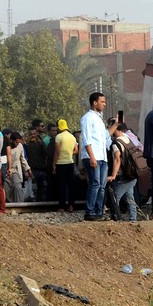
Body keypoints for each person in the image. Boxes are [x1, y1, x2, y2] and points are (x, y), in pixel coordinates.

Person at [80, 92, 110, 221]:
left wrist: (116, 124)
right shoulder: (88, 118)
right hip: (93, 156)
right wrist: (92, 157)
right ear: (94, 102)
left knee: (102, 186)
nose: (104, 104)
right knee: (95, 183)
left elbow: (105, 136)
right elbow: (86, 139)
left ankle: (99, 212)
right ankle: (90, 211)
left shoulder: (99, 119)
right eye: (102, 102)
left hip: (102, 156)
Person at [107, 122, 138, 222]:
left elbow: (117, 159)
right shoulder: (128, 139)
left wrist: (113, 175)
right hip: (133, 173)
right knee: (130, 197)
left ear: (116, 129)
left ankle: (116, 218)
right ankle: (133, 218)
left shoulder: (117, 143)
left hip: (125, 175)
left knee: (116, 196)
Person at [53, 119, 77, 212]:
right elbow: (76, 150)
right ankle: (71, 206)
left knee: (61, 186)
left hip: (60, 164)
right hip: (70, 163)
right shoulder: (72, 137)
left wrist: (54, 164)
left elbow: (57, 152)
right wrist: (68, 153)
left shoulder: (58, 137)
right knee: (71, 185)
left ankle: (62, 206)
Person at [5, 132, 31, 203]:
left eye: (18, 142)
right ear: (11, 140)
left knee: (17, 187)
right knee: (7, 190)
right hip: (6, 170)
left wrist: (27, 168)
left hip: (16, 170)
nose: (17, 144)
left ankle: (20, 205)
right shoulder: (6, 146)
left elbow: (22, 158)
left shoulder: (20, 146)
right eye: (16, 142)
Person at [24, 127, 49, 201]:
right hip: (32, 169)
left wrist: (42, 144)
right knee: (33, 189)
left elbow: (46, 153)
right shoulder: (27, 145)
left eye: (34, 134)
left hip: (41, 169)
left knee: (42, 188)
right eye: (31, 134)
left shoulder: (41, 144)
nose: (33, 136)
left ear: (37, 134)